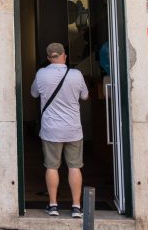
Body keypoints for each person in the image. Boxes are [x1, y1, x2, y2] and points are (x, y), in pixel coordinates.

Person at [30, 42, 89, 218]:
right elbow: (85, 96)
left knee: (52, 167)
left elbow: (33, 94)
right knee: (74, 167)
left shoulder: (41, 74)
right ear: (64, 55)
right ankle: (76, 207)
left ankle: (53, 205)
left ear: (49, 58)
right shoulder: (76, 74)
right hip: (73, 130)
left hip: (51, 130)